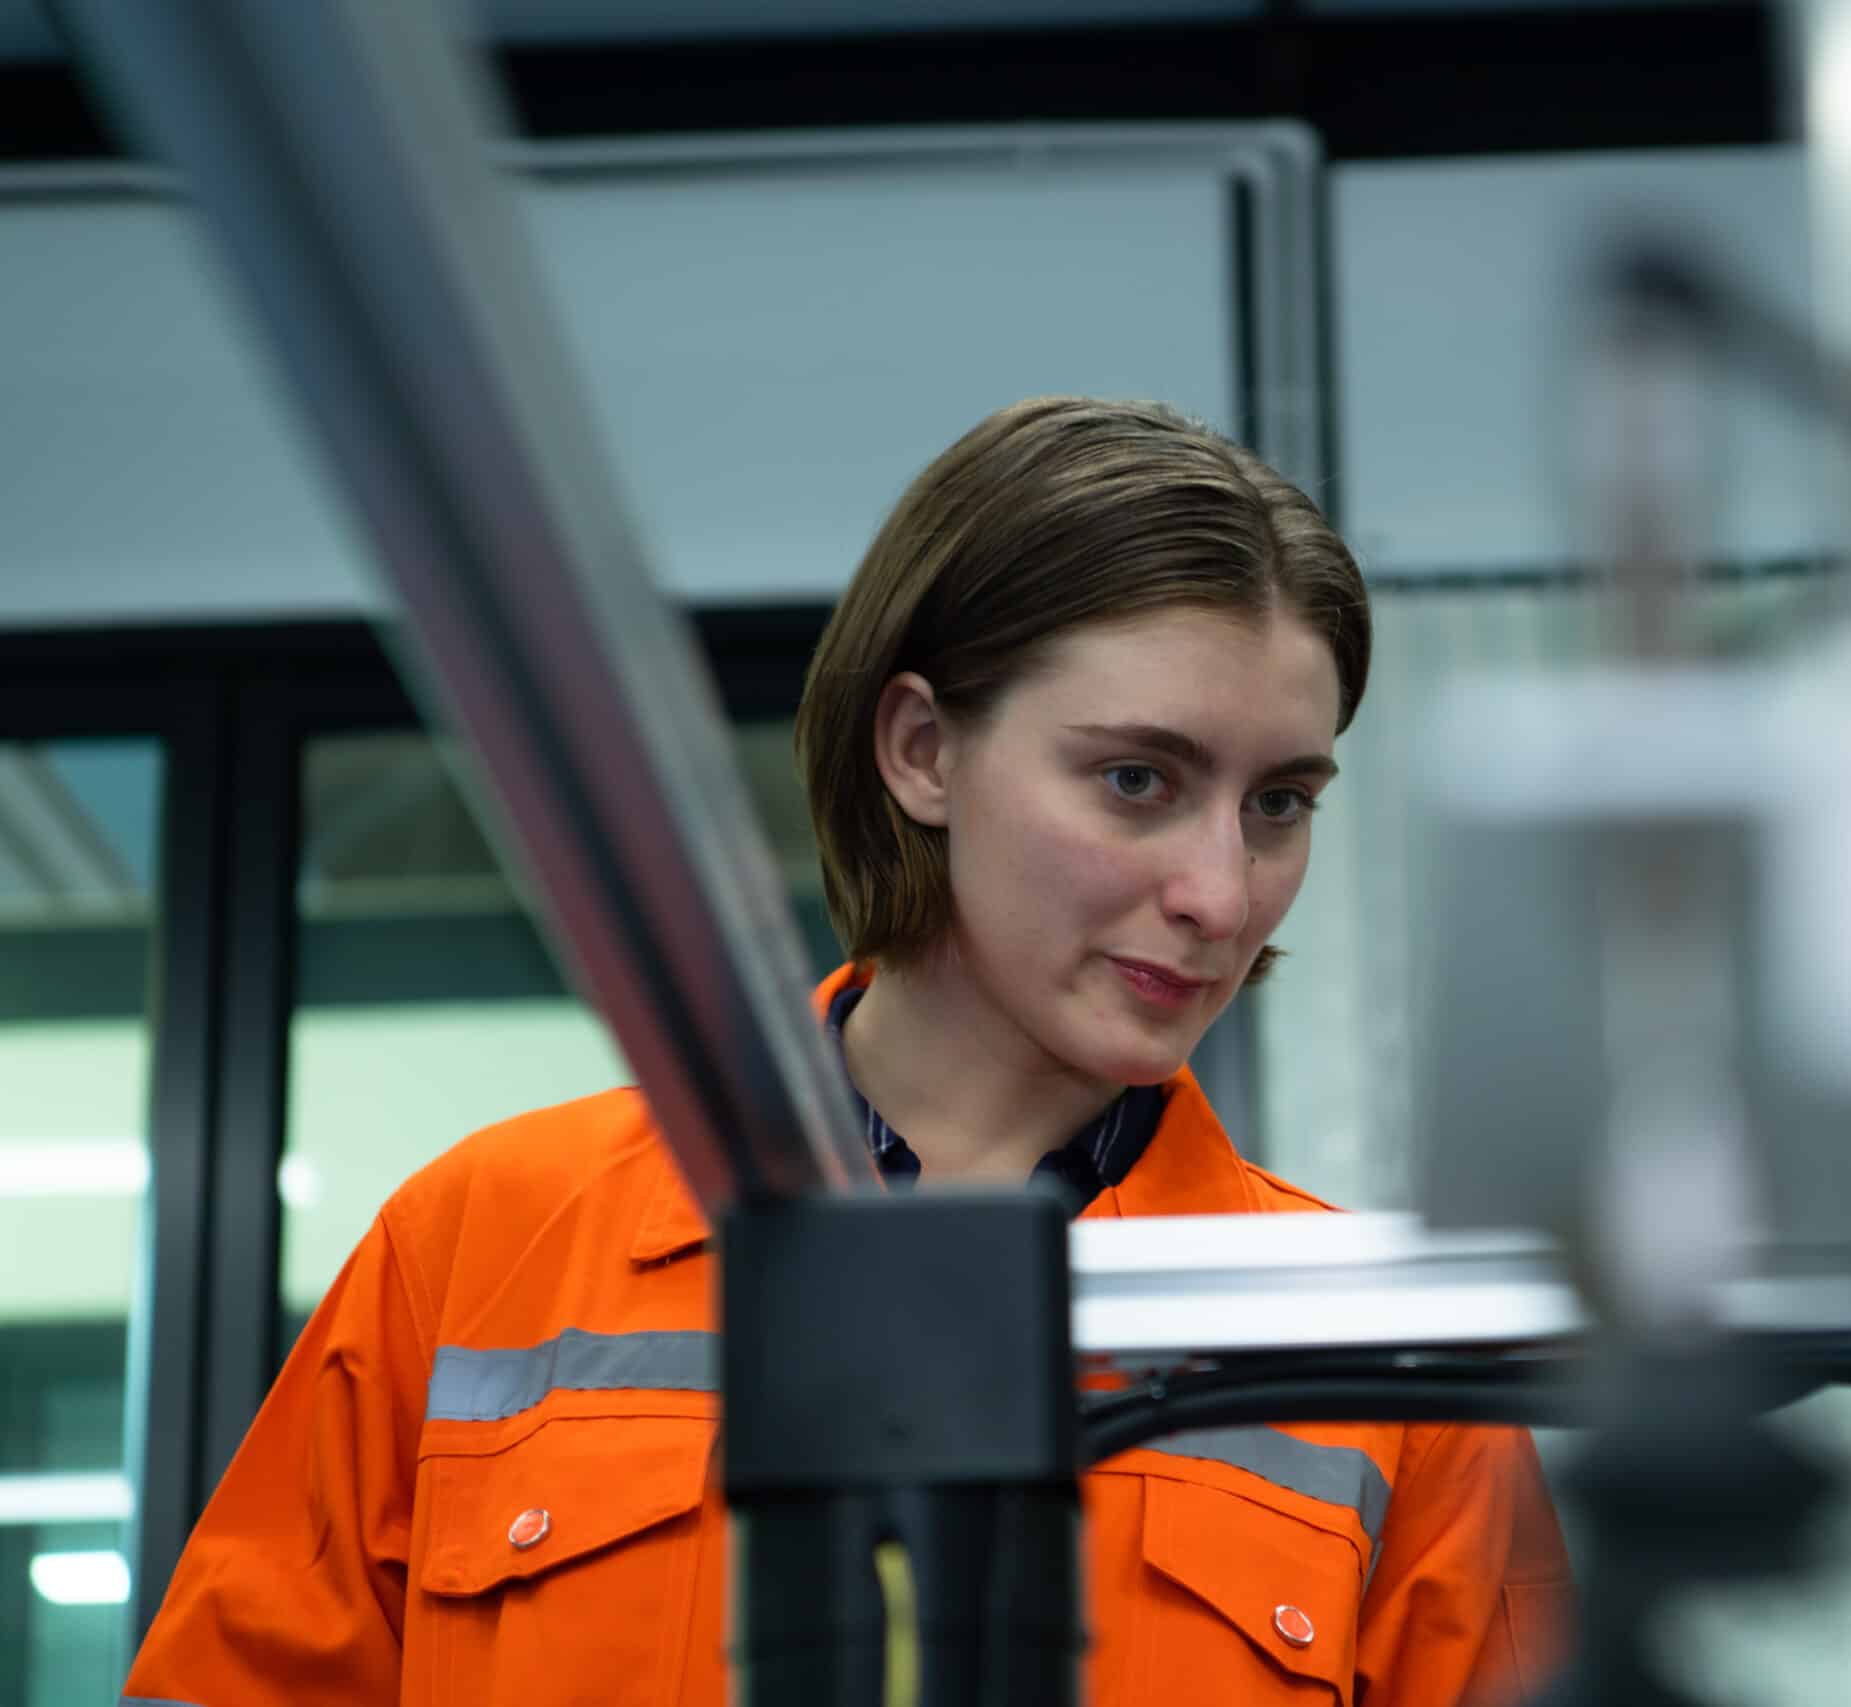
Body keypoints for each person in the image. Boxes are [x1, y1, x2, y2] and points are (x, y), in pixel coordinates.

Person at [122, 396, 1574, 1706]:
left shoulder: (1369, 1364)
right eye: (1140, 779)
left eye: (1279, 805)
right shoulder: (485, 1243)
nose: (1221, 890)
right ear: (922, 751)